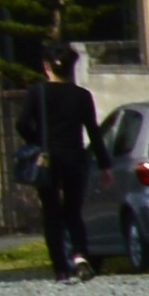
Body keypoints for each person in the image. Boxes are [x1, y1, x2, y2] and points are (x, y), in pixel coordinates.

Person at [22, 39, 101, 279]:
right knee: (73, 211)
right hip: (75, 158)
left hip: (47, 160)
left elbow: (21, 123)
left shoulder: (38, 92)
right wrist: (105, 164)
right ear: (71, 67)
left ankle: (60, 267)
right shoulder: (82, 95)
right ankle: (79, 255)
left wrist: (37, 141)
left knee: (51, 212)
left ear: (47, 66)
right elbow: (93, 131)